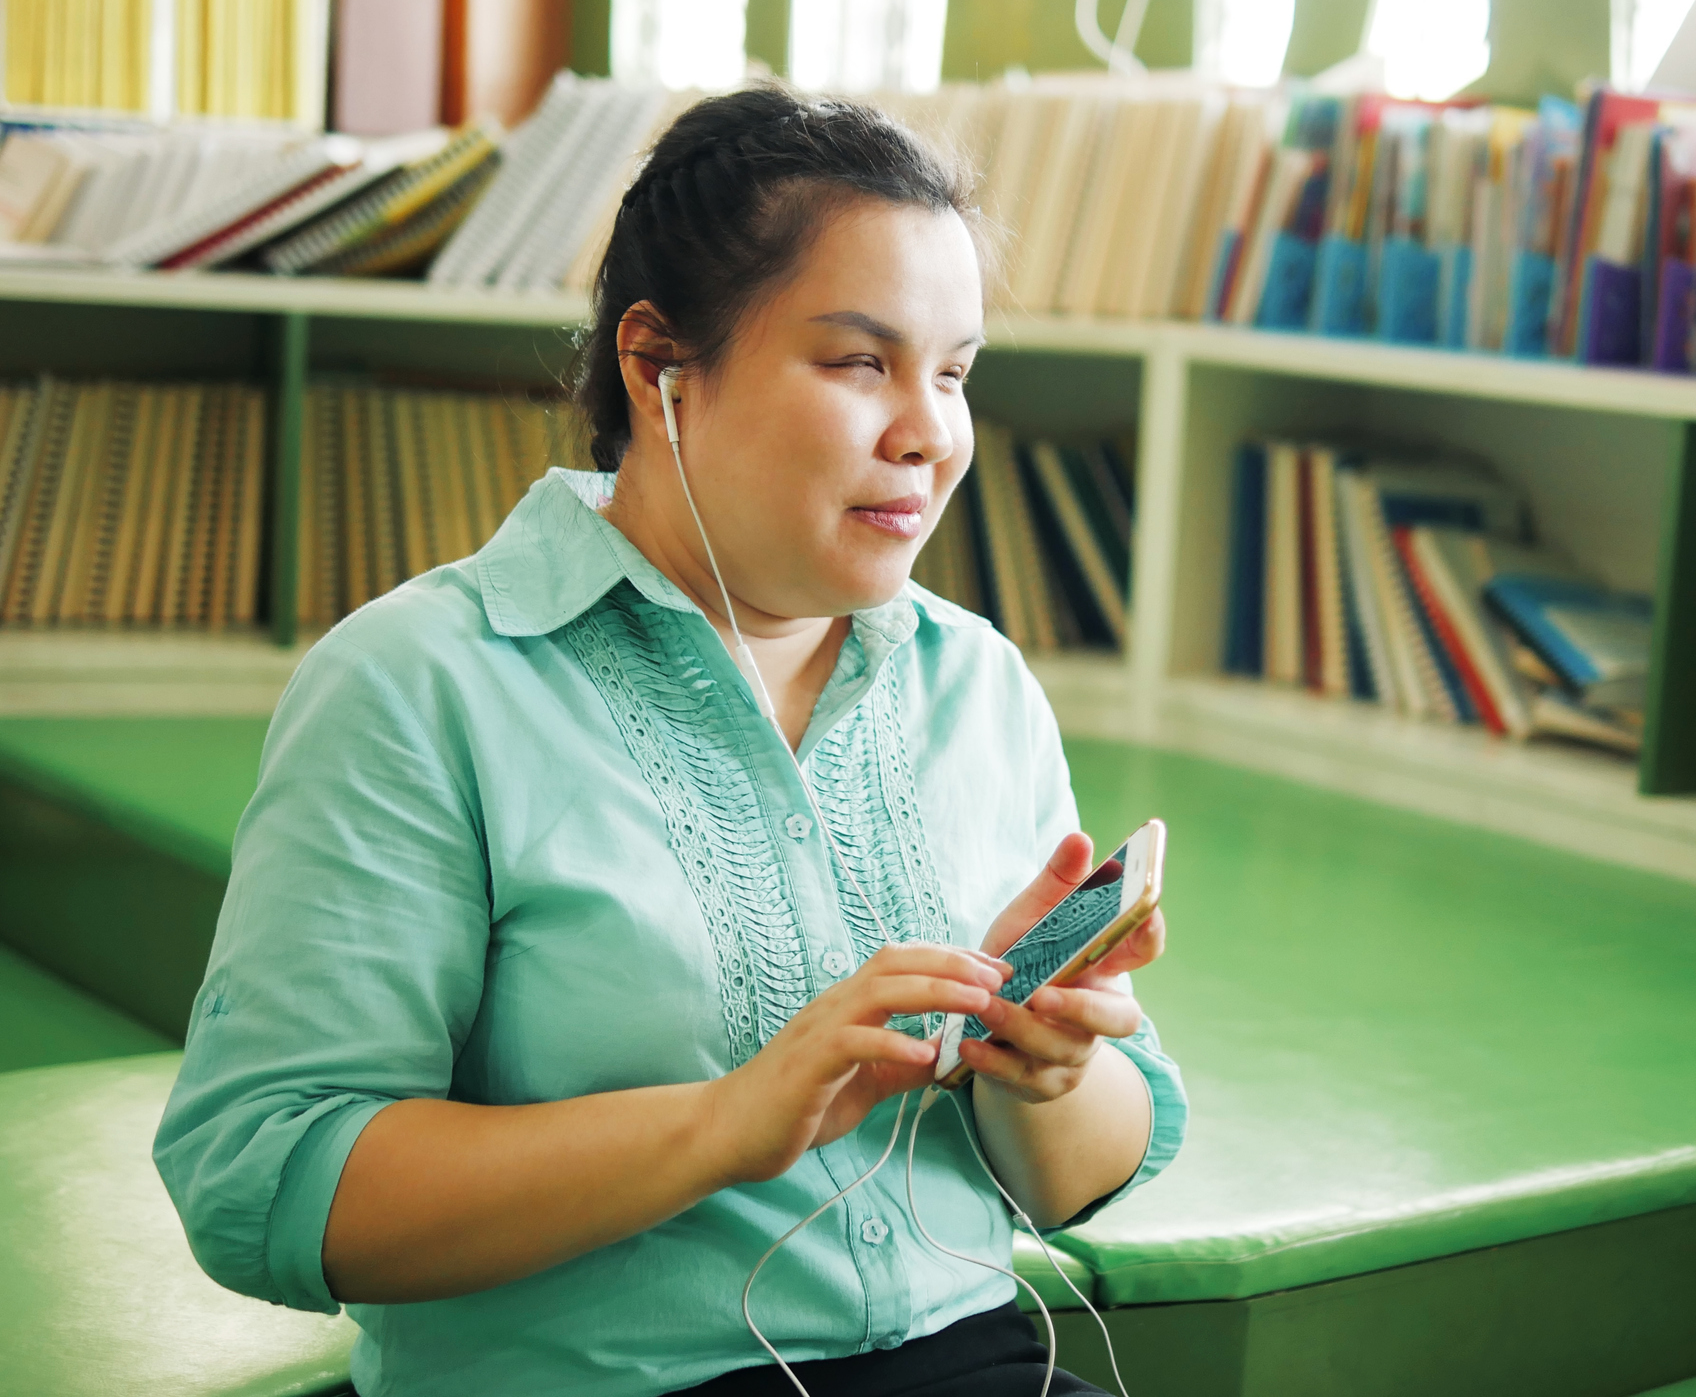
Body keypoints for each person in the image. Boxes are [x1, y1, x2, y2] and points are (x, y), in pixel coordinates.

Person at [154, 85, 1186, 1397]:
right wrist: (721, 1123)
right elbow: (267, 1178)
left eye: (954, 370)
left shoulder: (975, 680)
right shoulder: (417, 682)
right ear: (658, 367)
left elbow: (1092, 1163)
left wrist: (1048, 1070)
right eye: (858, 362)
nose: (928, 431)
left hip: (969, 1359)